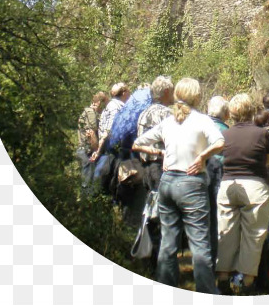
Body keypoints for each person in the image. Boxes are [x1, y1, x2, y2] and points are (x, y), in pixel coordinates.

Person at [132, 78, 224, 294]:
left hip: (167, 184)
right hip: (191, 184)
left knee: (168, 242)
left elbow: (137, 144)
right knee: (200, 244)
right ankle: (206, 291)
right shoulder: (201, 120)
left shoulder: (168, 122)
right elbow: (220, 142)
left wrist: (160, 153)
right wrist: (202, 157)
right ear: (196, 97)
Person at [215, 94, 269, 294]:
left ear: (231, 113)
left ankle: (222, 279)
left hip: (228, 185)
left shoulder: (225, 134)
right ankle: (247, 283)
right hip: (255, 186)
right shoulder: (261, 134)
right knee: (253, 235)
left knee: (226, 232)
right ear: (251, 110)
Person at [134, 76, 174, 275]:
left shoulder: (143, 114)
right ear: (166, 92)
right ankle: (162, 261)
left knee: (149, 211)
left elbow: (139, 142)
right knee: (162, 212)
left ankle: (149, 256)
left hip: (145, 168)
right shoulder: (167, 114)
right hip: (161, 167)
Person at [205, 96, 230, 272]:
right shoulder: (225, 131)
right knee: (215, 217)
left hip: (196, 174)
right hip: (217, 175)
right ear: (225, 113)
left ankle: (201, 261)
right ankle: (214, 261)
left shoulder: (198, 125)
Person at [91, 82, 131, 163]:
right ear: (124, 93)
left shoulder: (113, 105)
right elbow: (108, 131)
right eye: (128, 91)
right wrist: (98, 151)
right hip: (114, 152)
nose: (130, 93)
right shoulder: (115, 107)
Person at [76, 91, 108, 187]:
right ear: (98, 103)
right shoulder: (91, 113)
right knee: (88, 181)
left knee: (87, 178)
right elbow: (91, 132)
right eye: (103, 105)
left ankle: (87, 198)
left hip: (84, 149)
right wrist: (96, 150)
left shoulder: (87, 112)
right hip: (87, 150)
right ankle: (88, 199)